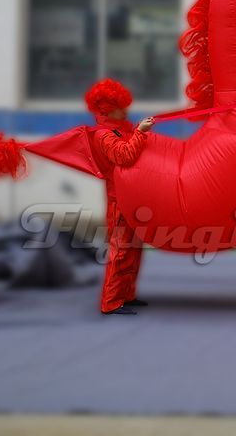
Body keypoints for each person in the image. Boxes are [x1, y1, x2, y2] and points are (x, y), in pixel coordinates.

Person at [85, 78, 155, 315]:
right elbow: (123, 156)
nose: (125, 108)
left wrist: (138, 132)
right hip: (119, 200)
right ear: (107, 107)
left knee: (134, 249)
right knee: (122, 250)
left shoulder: (120, 129)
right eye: (119, 104)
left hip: (131, 197)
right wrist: (141, 133)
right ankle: (111, 301)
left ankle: (126, 295)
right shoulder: (104, 135)